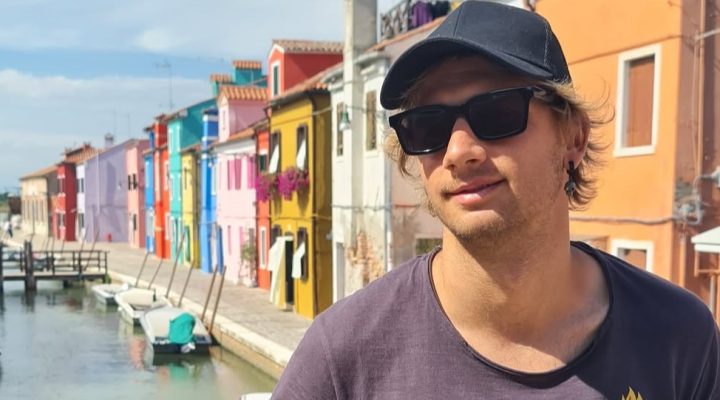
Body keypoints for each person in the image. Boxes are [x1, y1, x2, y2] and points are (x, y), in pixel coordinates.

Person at [273, 1, 720, 398]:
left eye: (497, 111)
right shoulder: (343, 357)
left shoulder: (678, 337)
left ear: (573, 138)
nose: (458, 152)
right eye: (427, 126)